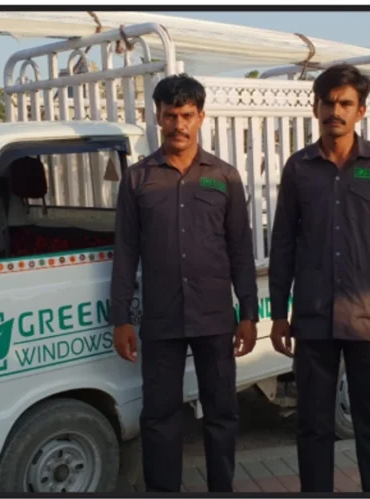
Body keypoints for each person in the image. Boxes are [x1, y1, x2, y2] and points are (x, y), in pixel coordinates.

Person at [268, 64, 370, 492]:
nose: (336, 111)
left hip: (369, 321)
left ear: (361, 110)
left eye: (346, 103)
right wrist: (279, 314)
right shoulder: (299, 168)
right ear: (315, 107)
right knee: (313, 428)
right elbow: (283, 244)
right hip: (314, 320)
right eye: (329, 102)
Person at [110, 73, 259, 493]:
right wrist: (120, 318)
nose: (179, 124)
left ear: (201, 117)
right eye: (170, 115)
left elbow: (240, 249)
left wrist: (248, 313)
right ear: (158, 117)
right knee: (159, 416)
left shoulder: (224, 177)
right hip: (162, 318)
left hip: (215, 317)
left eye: (187, 115)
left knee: (221, 413)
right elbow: (126, 252)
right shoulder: (138, 179)